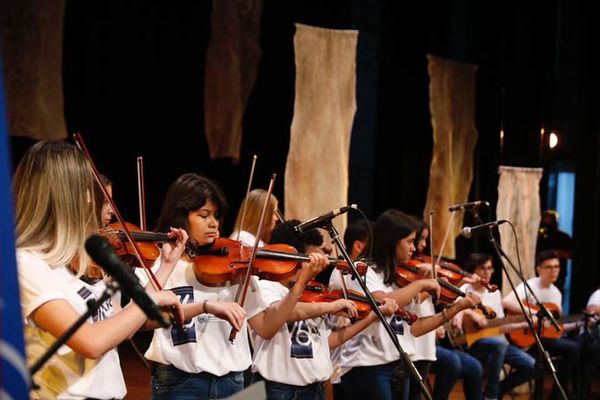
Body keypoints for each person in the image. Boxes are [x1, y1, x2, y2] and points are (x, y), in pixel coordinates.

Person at [14, 141, 186, 400]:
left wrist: (166, 267)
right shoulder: (26, 264)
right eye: (85, 189)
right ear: (61, 195)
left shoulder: (80, 261)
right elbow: (91, 342)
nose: (89, 199)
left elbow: (121, 327)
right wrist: (151, 300)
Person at [144, 173, 330, 399]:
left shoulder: (234, 267)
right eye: (203, 215)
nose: (213, 223)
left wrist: (298, 287)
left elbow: (266, 327)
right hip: (180, 383)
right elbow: (144, 319)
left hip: (232, 383)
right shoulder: (160, 264)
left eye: (216, 216)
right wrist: (204, 304)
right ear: (181, 216)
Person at [329, 209, 481, 400]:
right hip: (368, 366)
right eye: (409, 241)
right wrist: (421, 284)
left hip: (400, 364)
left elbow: (414, 328)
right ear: (392, 241)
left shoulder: (400, 277)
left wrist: (456, 308)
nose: (414, 248)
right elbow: (381, 301)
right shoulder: (362, 269)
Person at [252, 220, 399, 399]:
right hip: (281, 390)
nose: (318, 267)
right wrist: (328, 306)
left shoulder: (312, 292)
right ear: (291, 258)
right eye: (312, 260)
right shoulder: (267, 286)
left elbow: (327, 342)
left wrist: (373, 316)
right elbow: (286, 313)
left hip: (316, 388)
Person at [502, 250, 581, 398]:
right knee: (570, 348)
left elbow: (555, 325)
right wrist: (533, 313)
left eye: (556, 267)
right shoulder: (530, 285)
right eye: (549, 267)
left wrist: (578, 325)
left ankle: (557, 394)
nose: (554, 271)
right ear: (539, 269)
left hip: (543, 339)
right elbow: (506, 302)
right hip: (526, 337)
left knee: (574, 347)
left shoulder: (557, 293)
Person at [456, 253, 535, 400]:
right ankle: (491, 397)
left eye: (490, 268)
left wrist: (525, 323)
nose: (487, 272)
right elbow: (453, 310)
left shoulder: (495, 293)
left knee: (533, 366)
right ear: (473, 270)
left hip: (496, 343)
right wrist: (472, 314)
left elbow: (498, 326)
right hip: (472, 342)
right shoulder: (464, 288)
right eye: (482, 268)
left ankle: (497, 391)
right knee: (498, 345)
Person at [536, 210, 572, 293]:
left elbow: (571, 254)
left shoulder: (563, 237)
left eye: (549, 223)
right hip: (539, 275)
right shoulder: (538, 237)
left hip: (557, 277)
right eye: (544, 223)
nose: (547, 227)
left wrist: (558, 252)